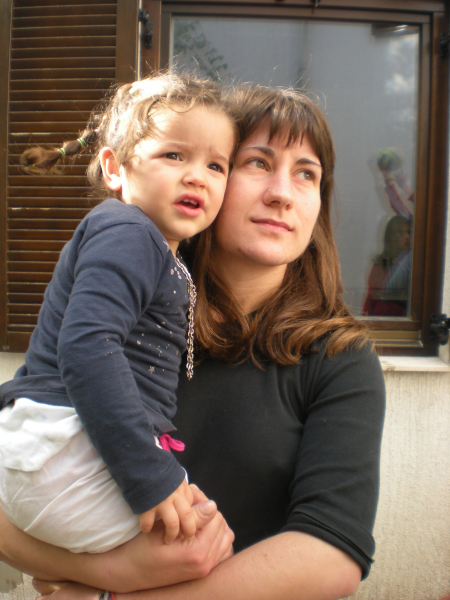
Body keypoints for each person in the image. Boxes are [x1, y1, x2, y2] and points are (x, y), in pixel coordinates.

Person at [0, 82, 385, 600]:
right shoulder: (133, 314)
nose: (282, 193)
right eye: (257, 163)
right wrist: (114, 575)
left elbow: (331, 557)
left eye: (306, 174)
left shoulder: (340, 357)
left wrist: (107, 595)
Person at [0, 72, 237, 553]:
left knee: (198, 540)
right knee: (201, 548)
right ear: (114, 168)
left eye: (216, 165)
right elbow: (87, 346)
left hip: (62, 447)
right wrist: (150, 474)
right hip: (68, 444)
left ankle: (79, 584)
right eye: (174, 155)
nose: (197, 175)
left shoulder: (154, 247)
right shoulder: (129, 231)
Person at [362, 215, 411, 316]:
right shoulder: (381, 263)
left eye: (409, 232)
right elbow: (370, 299)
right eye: (401, 232)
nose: (407, 236)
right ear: (392, 236)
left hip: (402, 320)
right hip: (382, 319)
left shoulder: (411, 263)